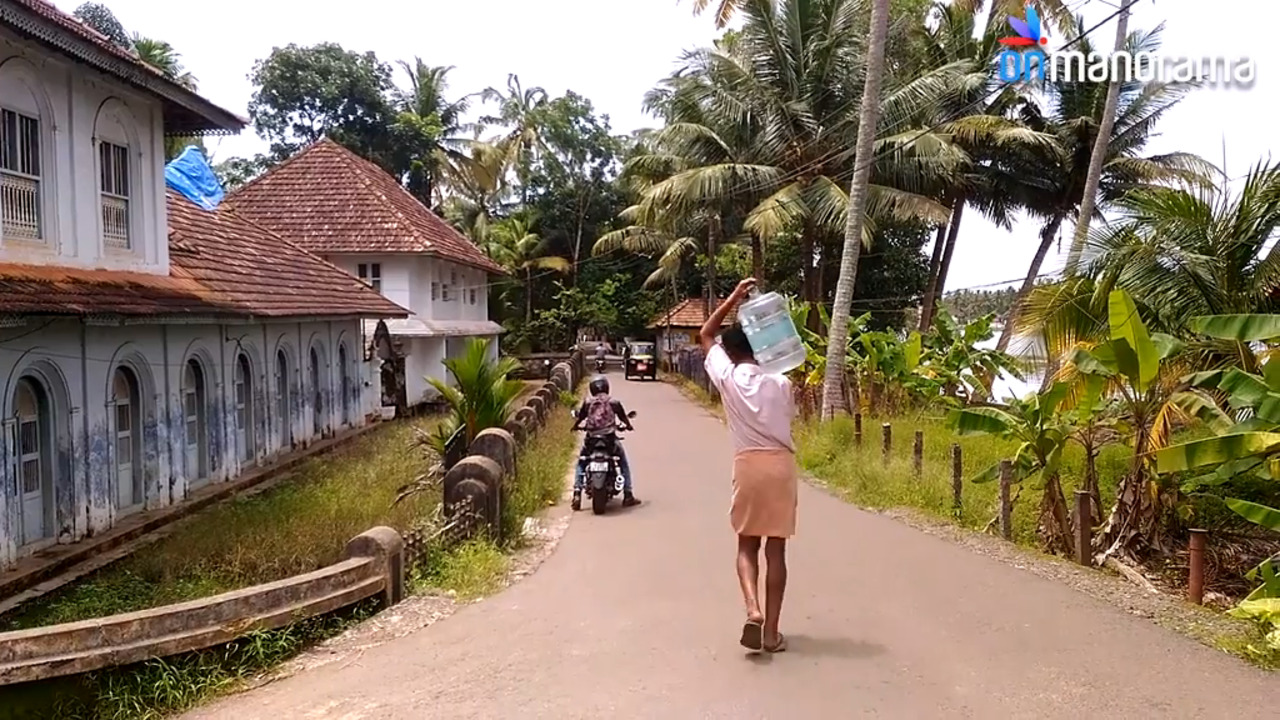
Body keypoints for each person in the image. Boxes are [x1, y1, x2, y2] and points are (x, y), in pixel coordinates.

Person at [699, 277, 797, 654]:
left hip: (748, 465)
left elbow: (707, 334)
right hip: (782, 466)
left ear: (732, 352)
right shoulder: (781, 382)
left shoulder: (727, 378)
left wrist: (734, 298)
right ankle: (772, 634)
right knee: (777, 551)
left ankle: (752, 609)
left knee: (746, 545)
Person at [570, 377, 641, 510]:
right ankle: (628, 494)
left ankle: (577, 494)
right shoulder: (614, 402)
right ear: (606, 387)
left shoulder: (587, 402)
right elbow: (623, 417)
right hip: (609, 440)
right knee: (623, 462)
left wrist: (575, 427)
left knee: (581, 462)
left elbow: (581, 418)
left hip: (591, 440)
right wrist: (628, 426)